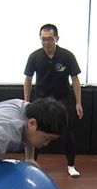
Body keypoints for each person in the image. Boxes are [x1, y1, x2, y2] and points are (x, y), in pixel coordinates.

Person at [23, 24, 84, 178]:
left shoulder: (67, 56)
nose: (46, 43)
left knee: (68, 131)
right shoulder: (34, 56)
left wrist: (78, 103)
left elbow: (75, 79)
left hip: (62, 98)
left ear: (56, 38)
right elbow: (28, 79)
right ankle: (31, 164)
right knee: (34, 131)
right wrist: (26, 101)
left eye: (50, 39)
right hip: (41, 98)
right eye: (43, 39)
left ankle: (71, 165)